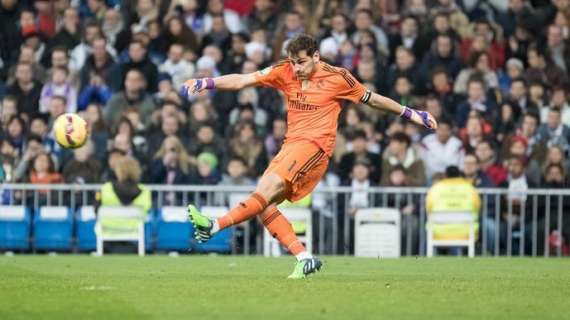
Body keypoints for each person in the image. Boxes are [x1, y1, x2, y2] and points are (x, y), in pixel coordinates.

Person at [181, 34, 437, 279]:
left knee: (266, 190)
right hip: (290, 145)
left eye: (301, 62)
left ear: (316, 56)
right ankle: (304, 258)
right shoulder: (284, 71)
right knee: (264, 203)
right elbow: (243, 80)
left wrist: (412, 114)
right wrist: (207, 82)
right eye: (293, 62)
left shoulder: (339, 78)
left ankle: (214, 225)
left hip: (315, 147)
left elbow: (372, 100)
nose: (296, 68)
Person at [426, 166, 481, 256]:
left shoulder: (435, 189)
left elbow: (428, 209)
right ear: (459, 175)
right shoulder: (470, 188)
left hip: (439, 232)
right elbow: (477, 208)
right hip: (466, 232)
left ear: (445, 175)